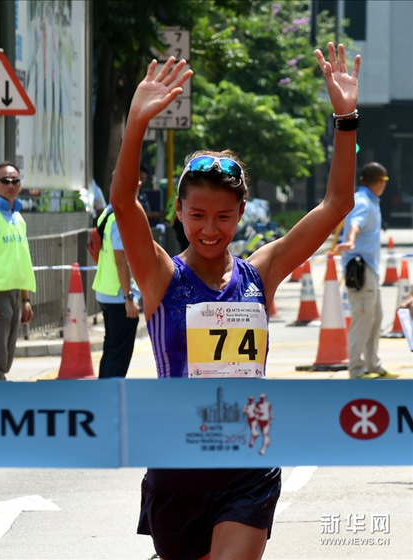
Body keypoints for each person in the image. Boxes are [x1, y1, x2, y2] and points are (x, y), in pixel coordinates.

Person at [110, 43, 360, 560]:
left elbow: (338, 203)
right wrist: (136, 124)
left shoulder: (259, 272)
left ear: (240, 215)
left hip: (248, 466)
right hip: (177, 470)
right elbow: (123, 202)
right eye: (198, 215)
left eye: (223, 217)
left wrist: (345, 119)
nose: (209, 229)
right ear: (179, 211)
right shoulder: (161, 276)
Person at [336, 163, 399, 379]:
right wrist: (351, 241)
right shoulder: (363, 202)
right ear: (381, 181)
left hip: (370, 270)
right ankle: (356, 369)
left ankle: (373, 365)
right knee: (362, 320)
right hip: (361, 271)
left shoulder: (369, 200)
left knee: (375, 319)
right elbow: (355, 224)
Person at [0, 162, 36, 381]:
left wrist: (25, 299)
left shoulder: (18, 218)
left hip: (14, 293)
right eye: (5, 180)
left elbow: (20, 260)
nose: (10, 185)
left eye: (15, 180)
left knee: (6, 357)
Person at [92, 203, 140, 378]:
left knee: (111, 349)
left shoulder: (108, 212)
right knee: (119, 354)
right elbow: (121, 260)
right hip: (119, 295)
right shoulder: (120, 218)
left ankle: (103, 395)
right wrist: (129, 297)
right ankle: (111, 399)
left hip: (106, 291)